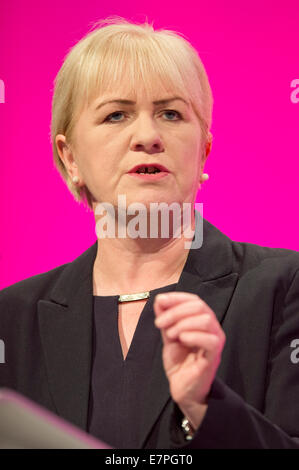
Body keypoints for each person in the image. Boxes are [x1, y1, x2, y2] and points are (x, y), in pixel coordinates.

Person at [1, 16, 299, 450]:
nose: (148, 136)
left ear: (203, 151)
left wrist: (205, 407)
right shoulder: (12, 317)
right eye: (116, 115)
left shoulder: (284, 287)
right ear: (70, 158)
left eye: (171, 114)